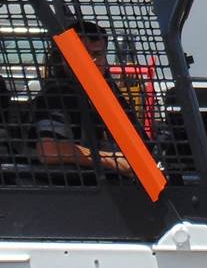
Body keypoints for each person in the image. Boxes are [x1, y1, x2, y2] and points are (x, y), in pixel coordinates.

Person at [32, 20, 137, 178]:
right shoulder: (57, 94)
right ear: (63, 58)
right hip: (61, 188)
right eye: (82, 54)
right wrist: (113, 160)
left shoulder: (101, 92)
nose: (91, 61)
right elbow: (49, 150)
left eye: (97, 54)